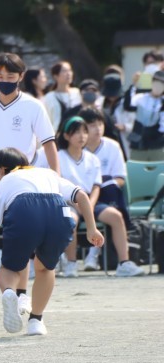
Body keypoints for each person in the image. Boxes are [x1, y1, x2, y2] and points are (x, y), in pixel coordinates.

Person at [0, 148, 105, 336]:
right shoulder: (48, 173)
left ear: (2, 170)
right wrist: (91, 228)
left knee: (9, 270)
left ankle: (9, 292)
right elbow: (81, 196)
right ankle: (36, 321)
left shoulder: (6, 181)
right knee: (45, 268)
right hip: (58, 212)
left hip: (24, 210)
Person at [0, 52, 58, 318]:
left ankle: (21, 295)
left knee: (22, 238)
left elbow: (48, 143)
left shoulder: (33, 105)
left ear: (21, 77)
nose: (4, 80)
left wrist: (55, 178)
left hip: (21, 179)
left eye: (10, 76)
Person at [56, 116, 144, 278]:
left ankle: (124, 263)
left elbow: (96, 186)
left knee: (116, 216)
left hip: (91, 201)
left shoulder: (92, 159)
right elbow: (58, 185)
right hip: (68, 202)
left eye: (84, 131)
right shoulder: (58, 157)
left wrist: (88, 205)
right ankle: (71, 263)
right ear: (67, 136)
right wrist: (77, 205)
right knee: (71, 221)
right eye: (76, 132)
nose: (82, 136)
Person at [79, 107, 131, 271]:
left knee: (115, 210)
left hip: (104, 199)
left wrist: (100, 185)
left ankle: (123, 263)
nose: (98, 128)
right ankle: (72, 261)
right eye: (92, 124)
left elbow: (120, 179)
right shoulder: (74, 147)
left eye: (100, 124)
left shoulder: (112, 146)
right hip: (78, 199)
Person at [124, 70, 164, 160]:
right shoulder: (141, 97)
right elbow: (128, 105)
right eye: (156, 82)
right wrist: (134, 84)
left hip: (157, 145)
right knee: (137, 170)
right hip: (138, 142)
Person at [43, 61, 82, 130]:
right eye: (64, 71)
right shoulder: (49, 97)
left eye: (70, 70)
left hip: (77, 133)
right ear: (56, 76)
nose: (69, 73)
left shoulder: (77, 92)